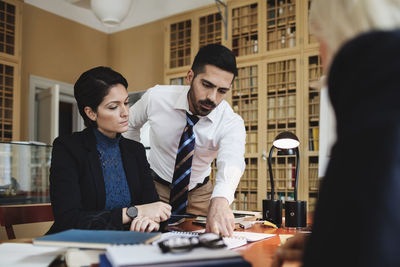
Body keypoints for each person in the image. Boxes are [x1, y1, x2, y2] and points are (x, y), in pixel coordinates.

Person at [272, 0, 400, 266]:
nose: (321, 58)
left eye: (319, 39)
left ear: (334, 33)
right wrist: (324, 241)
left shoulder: (374, 97)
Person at [123, 44, 246, 237]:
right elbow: (129, 124)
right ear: (190, 77)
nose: (212, 98)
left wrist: (221, 199)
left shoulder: (230, 121)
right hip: (154, 188)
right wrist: (136, 165)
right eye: (206, 85)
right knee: (146, 240)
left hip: (201, 193)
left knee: (209, 244)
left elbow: (232, 160)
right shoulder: (156, 97)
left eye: (222, 91)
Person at [47, 66, 171, 234]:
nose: (126, 112)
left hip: (128, 244)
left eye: (126, 103)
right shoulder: (68, 148)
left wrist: (150, 222)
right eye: (114, 107)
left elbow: (152, 207)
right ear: (91, 113)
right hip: (79, 244)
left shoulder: (135, 150)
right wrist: (134, 212)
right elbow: (69, 220)